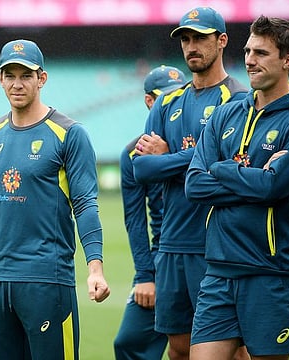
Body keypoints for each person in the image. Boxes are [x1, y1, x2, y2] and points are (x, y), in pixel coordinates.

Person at [0, 39, 111, 360]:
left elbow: (84, 204)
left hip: (46, 281)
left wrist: (95, 268)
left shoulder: (69, 133)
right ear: (0, 79)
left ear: (41, 78)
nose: (17, 83)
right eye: (9, 75)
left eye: (25, 75)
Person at [131, 7, 249, 360]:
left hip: (216, 243)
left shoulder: (240, 100)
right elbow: (141, 170)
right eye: (185, 39)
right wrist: (197, 158)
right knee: (179, 346)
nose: (191, 46)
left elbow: (230, 167)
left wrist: (167, 158)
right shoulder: (168, 101)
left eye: (200, 37)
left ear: (222, 40)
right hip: (171, 244)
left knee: (230, 346)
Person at [185, 15, 289, 360]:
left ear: (288, 60)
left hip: (269, 274)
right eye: (248, 50)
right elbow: (194, 184)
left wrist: (221, 169)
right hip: (217, 271)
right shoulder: (226, 114)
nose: (249, 60)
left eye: (261, 53)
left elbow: (274, 186)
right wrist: (250, 178)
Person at [113, 65, 187, 360]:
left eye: (179, 97)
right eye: (163, 98)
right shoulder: (132, 155)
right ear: (148, 101)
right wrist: (145, 275)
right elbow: (135, 219)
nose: (172, 104)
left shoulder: (199, 144)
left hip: (205, 255)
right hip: (161, 259)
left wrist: (169, 157)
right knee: (129, 343)